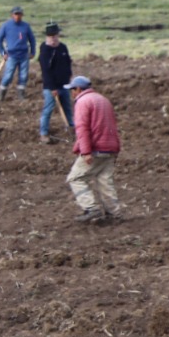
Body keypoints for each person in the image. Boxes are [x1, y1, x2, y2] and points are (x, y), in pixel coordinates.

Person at [65, 76, 122, 224]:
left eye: (72, 89)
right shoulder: (103, 100)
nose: (71, 93)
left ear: (78, 89)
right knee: (104, 181)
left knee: (75, 178)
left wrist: (85, 151)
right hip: (111, 147)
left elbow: (82, 129)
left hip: (96, 148)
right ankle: (114, 213)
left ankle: (91, 208)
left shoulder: (83, 102)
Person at [37, 23, 73, 144]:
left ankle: (72, 129)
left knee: (67, 108)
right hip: (51, 88)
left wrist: (69, 77)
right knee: (48, 110)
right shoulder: (45, 51)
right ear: (47, 37)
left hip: (64, 85)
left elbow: (68, 62)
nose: (53, 38)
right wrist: (52, 88)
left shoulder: (63, 47)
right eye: (50, 36)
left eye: (55, 35)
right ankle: (44, 133)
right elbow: (46, 72)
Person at [0, 6, 36, 101]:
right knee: (8, 76)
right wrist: (3, 52)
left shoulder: (26, 26)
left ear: (22, 15)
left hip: (24, 55)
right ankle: (1, 97)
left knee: (23, 76)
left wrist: (33, 51)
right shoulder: (6, 26)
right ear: (12, 15)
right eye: (16, 14)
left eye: (19, 14)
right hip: (11, 56)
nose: (17, 16)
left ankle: (21, 96)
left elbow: (32, 39)